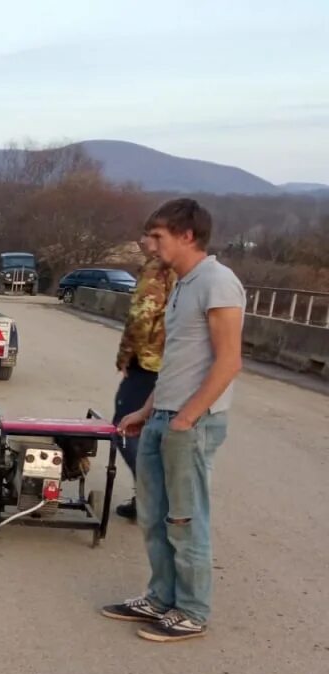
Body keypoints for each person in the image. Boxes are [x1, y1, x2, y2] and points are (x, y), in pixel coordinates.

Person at [101, 198, 244, 641]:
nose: (150, 244)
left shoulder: (217, 282)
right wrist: (147, 411)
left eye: (158, 236)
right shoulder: (181, 283)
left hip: (191, 424)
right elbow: (177, 361)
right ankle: (161, 597)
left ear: (187, 235)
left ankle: (192, 610)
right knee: (154, 514)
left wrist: (187, 418)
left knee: (185, 519)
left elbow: (229, 361)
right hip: (163, 414)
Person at [112, 235, 177, 521]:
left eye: (150, 235)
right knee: (158, 430)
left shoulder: (156, 269)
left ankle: (151, 497)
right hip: (173, 361)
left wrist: (126, 354)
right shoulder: (182, 271)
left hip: (149, 361)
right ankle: (150, 497)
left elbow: (141, 316)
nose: (141, 240)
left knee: (126, 425)